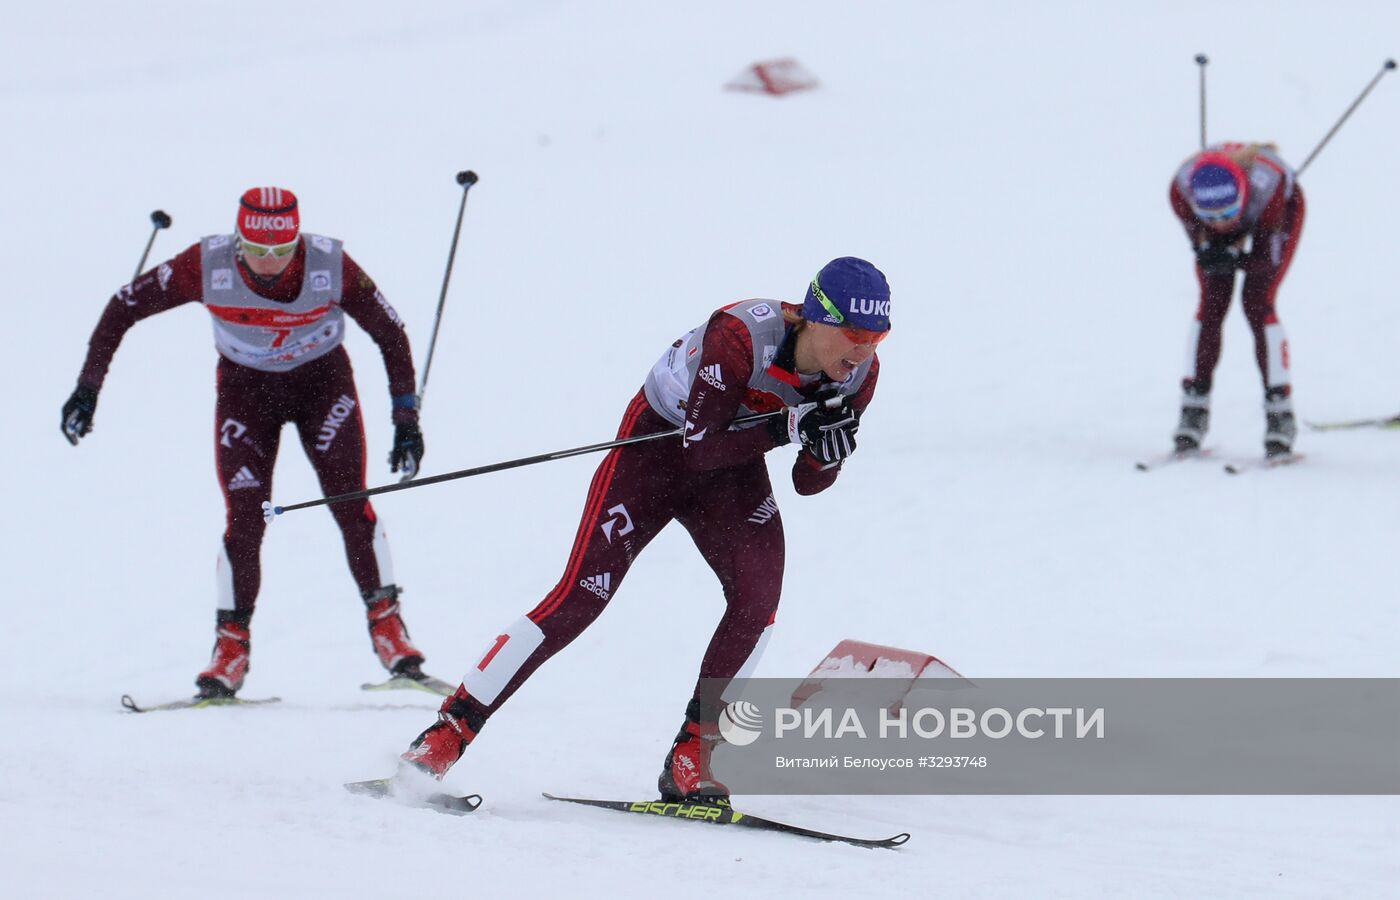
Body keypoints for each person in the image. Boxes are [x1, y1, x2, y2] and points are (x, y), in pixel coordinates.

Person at [391, 257, 889, 803]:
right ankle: (447, 733)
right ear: (816, 318)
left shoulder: (861, 374)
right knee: (580, 597)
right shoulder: (742, 334)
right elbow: (699, 449)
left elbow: (807, 483)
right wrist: (791, 424)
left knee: (757, 602)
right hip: (655, 450)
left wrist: (826, 451)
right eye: (855, 334)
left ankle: (692, 756)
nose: (863, 350)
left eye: (878, 337)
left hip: (733, 470)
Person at [61, 187, 432, 698]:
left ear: (298, 242)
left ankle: (390, 630)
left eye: (282, 252)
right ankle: (230, 648)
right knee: (245, 515)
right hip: (247, 394)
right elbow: (122, 306)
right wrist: (88, 390)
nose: (269, 263)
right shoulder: (206, 263)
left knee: (349, 501)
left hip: (322, 386)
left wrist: (406, 417)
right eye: (257, 250)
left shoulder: (329, 262)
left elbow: (390, 330)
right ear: (238, 240)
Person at [1168, 142, 1305, 457]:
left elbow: (1265, 262)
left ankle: (1280, 415)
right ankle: (1193, 410)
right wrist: (1209, 250)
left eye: (1228, 214)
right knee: (1211, 304)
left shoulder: (1267, 191)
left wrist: (1234, 259)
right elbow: (1204, 241)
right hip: (1232, 205)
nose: (1221, 224)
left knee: (1257, 302)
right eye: (1210, 217)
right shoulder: (1181, 194)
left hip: (1277, 211)